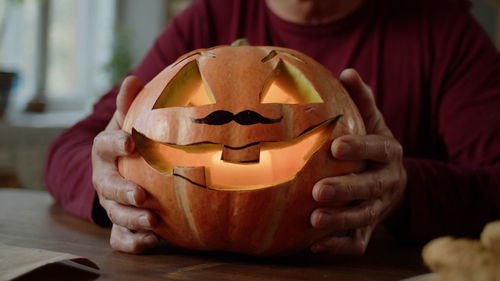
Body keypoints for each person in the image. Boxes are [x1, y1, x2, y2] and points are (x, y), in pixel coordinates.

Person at [44, 0, 500, 254]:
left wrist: (402, 193)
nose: (237, 123)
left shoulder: (445, 32)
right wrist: (110, 185)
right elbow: (75, 146)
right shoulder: (205, 22)